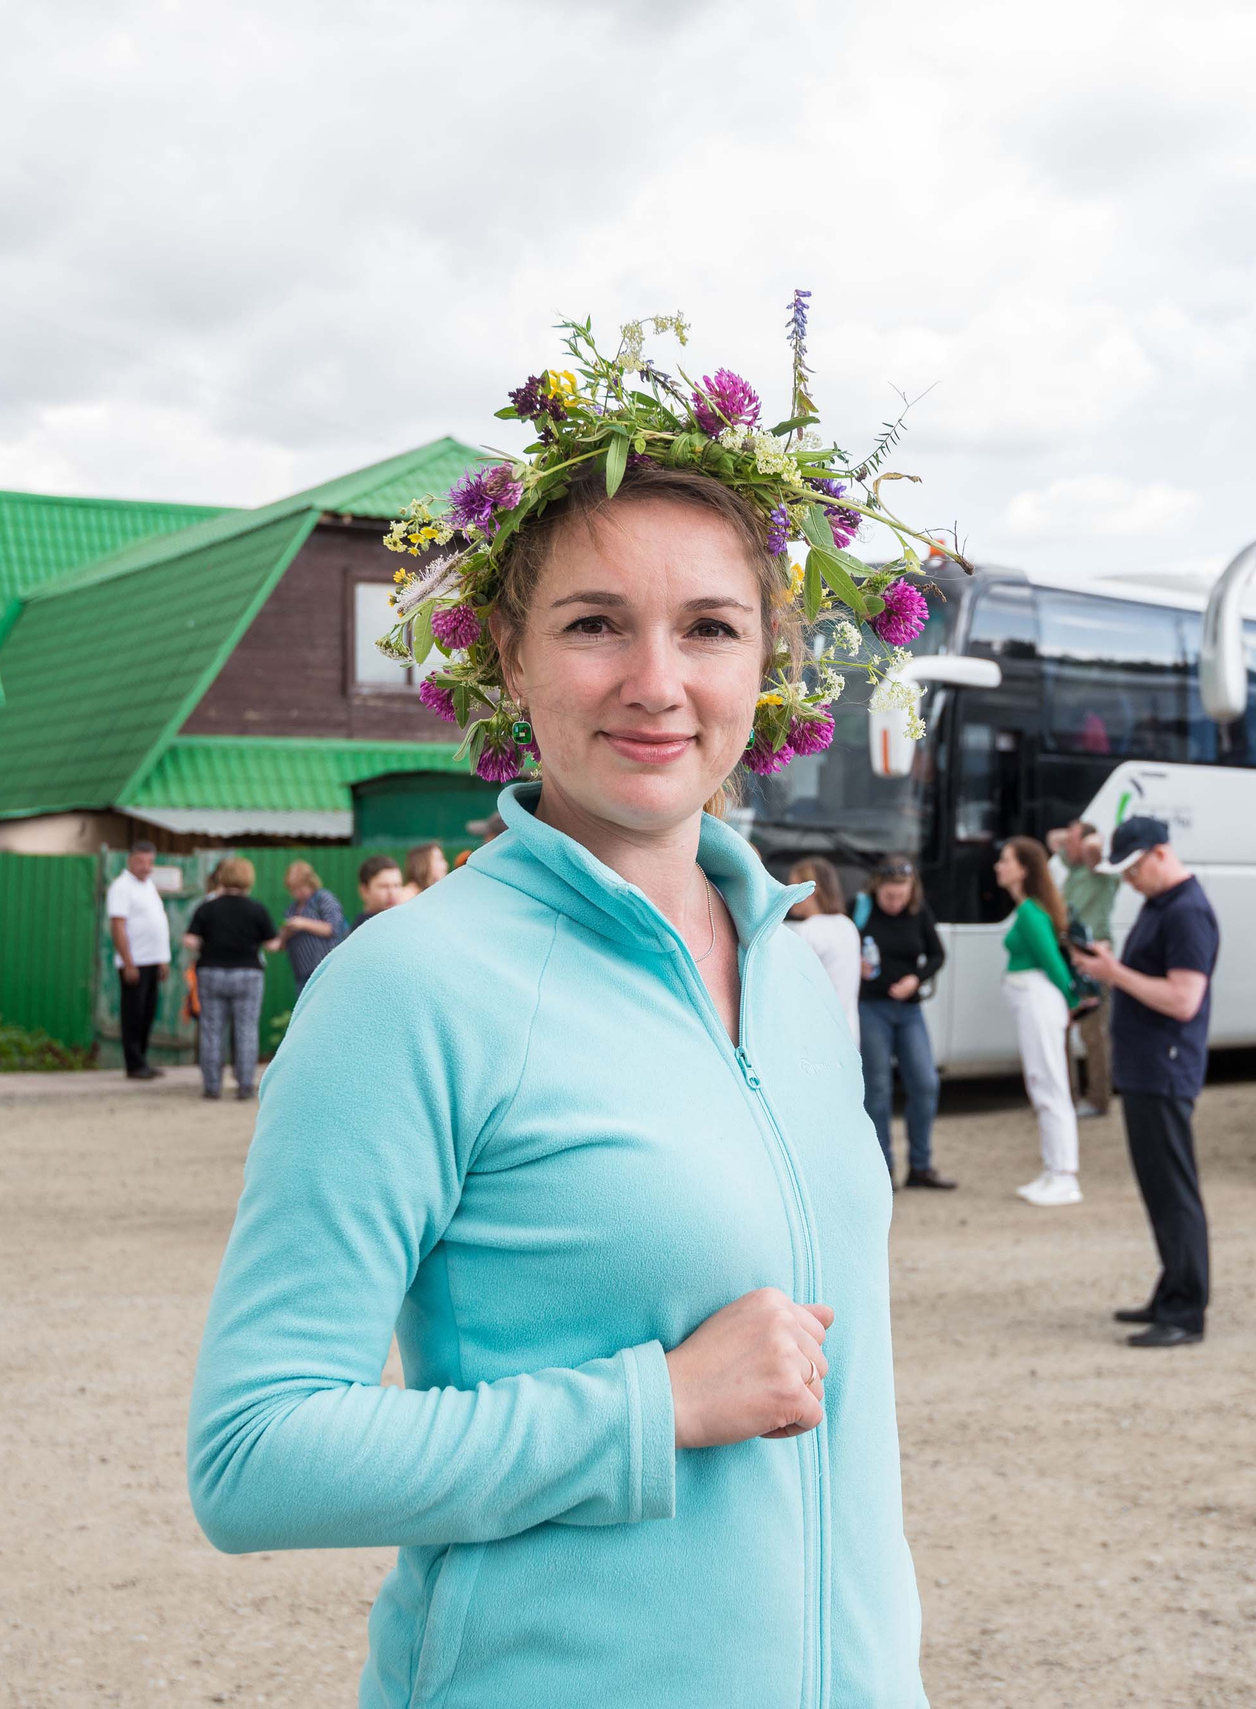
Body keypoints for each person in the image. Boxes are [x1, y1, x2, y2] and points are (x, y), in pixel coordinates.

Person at [192, 302, 961, 1704]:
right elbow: (252, 1456)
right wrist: (653, 1407)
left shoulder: (788, 968)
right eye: (597, 624)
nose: (657, 685)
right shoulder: (412, 987)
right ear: (508, 649)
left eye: (710, 628)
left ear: (767, 663)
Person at [1069, 814, 1219, 1350]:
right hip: (1151, 1066)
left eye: (1134, 869)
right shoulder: (1165, 906)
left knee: (1174, 1190)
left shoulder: (1187, 912)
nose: (1128, 881)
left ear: (1160, 853)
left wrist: (1115, 975)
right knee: (1161, 1189)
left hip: (1166, 1066)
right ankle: (1172, 1291)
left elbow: (1184, 999)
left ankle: (1185, 1309)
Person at [856, 856, 955, 1190]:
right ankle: (883, 1169)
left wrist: (917, 978)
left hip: (909, 1010)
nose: (895, 902)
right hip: (871, 1008)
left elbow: (938, 954)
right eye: (889, 896)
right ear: (877, 888)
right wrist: (855, 963)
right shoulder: (859, 908)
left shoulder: (918, 911)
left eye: (901, 895)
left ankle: (921, 1166)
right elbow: (841, 944)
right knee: (878, 1089)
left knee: (926, 1083)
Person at [994, 835, 1081, 1207]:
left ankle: (1064, 1175)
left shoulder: (1030, 912)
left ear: (1023, 868)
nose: (999, 866)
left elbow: (1052, 962)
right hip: (1032, 1001)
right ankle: (1053, 1169)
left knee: (1050, 1085)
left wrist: (1074, 1000)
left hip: (1038, 1001)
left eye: (1006, 860)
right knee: (1042, 1082)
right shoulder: (1027, 908)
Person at [185, 858, 282, 1102]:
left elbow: (190, 940)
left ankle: (211, 1086)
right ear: (249, 879)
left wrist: (207, 944)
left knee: (211, 1030)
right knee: (246, 1030)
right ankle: (245, 1086)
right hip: (248, 974)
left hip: (211, 972)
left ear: (222, 878)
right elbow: (272, 944)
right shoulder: (256, 909)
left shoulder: (207, 907)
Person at [1055, 819, 1121, 1118]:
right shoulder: (1075, 869)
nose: (1067, 846)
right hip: (1070, 953)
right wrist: (1073, 839)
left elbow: (1094, 847)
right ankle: (1067, 1096)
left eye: (1073, 841)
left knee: (1094, 1033)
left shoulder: (1101, 871)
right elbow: (1051, 838)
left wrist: (1088, 839)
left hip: (1094, 953)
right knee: (1063, 1028)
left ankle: (1098, 1098)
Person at [106, 841, 171, 1080]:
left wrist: (163, 959)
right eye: (141, 862)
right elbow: (118, 926)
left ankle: (142, 1059)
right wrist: (128, 962)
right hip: (136, 962)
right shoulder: (122, 887)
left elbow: (157, 923)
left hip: (153, 960)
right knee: (133, 1014)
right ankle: (133, 1064)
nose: (146, 867)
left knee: (147, 1013)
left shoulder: (148, 886)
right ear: (130, 860)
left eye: (150, 862)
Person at [784, 857, 861, 1041]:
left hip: (817, 1035)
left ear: (812, 890)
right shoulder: (847, 925)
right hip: (848, 1033)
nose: (789, 893)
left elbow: (792, 987)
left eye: (794, 886)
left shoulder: (807, 931)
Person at [276, 861, 347, 990]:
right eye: (293, 889)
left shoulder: (323, 899)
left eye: (300, 888)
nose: (297, 893)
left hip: (325, 970)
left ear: (311, 883)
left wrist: (303, 923)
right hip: (302, 973)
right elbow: (282, 945)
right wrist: (286, 933)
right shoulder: (291, 910)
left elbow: (333, 928)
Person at [348, 854, 405, 928]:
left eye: (396, 885)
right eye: (384, 886)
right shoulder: (363, 929)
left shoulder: (403, 923)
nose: (392, 893)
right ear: (364, 891)